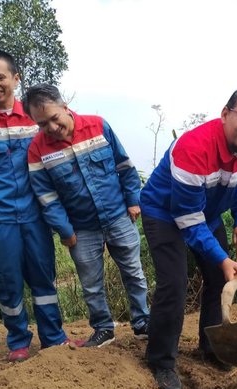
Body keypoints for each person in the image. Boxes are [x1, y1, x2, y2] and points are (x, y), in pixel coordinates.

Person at [140, 88, 237, 389]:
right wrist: (223, 260)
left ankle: (211, 347)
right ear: (226, 114)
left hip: (207, 214)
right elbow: (186, 218)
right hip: (165, 214)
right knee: (174, 283)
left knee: (216, 279)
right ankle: (161, 360)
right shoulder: (194, 147)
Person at [0, 49, 77, 362]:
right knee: (7, 282)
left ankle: (54, 338)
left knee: (44, 278)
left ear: (15, 78)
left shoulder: (34, 117)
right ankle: (18, 341)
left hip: (35, 216)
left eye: (0, 77)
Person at [23, 83, 150, 348]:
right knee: (90, 285)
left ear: (65, 107)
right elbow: (46, 197)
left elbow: (125, 167)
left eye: (55, 119)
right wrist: (65, 230)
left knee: (134, 274)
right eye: (43, 124)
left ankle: (142, 323)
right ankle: (104, 328)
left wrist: (133, 200)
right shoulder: (37, 149)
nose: (52, 128)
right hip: (81, 228)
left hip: (118, 216)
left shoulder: (98, 126)